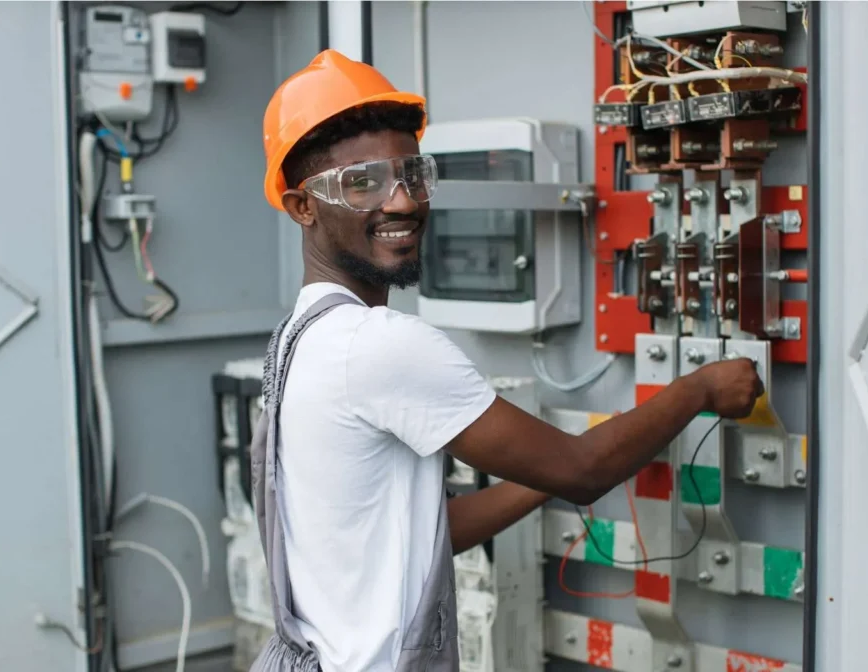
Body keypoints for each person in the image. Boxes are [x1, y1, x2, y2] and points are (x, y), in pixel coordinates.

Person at [252, 49, 763, 672]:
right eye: (363, 183)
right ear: (303, 207)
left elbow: (424, 533)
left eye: (412, 174)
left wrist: (540, 471)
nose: (404, 202)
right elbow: (582, 471)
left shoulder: (297, 340)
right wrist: (700, 389)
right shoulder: (380, 344)